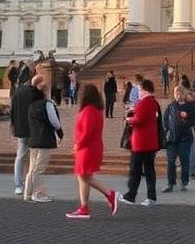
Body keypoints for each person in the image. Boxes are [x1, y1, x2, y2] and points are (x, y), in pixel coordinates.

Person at [67, 84, 118, 220]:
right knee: (83, 176)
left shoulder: (89, 110)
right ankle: (84, 207)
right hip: (91, 147)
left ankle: (109, 194)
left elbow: (87, 132)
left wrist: (78, 145)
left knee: (85, 176)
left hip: (87, 148)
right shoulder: (96, 110)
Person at [121, 78, 161, 206]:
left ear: (144, 89)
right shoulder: (153, 102)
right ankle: (151, 196)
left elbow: (139, 119)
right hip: (150, 142)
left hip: (141, 142)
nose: (138, 92)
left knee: (135, 170)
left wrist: (129, 119)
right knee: (149, 170)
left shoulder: (145, 102)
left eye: (139, 89)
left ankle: (131, 195)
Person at [25, 74, 63, 203]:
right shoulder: (46, 104)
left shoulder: (31, 105)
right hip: (44, 138)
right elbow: (55, 122)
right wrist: (60, 132)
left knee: (32, 168)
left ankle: (28, 193)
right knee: (39, 169)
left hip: (33, 139)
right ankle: (38, 193)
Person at [162, 85, 195, 193]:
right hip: (172, 139)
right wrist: (167, 132)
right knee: (170, 162)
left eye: (179, 93)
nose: (177, 95)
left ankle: (184, 182)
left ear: (184, 94)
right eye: (175, 93)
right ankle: (170, 183)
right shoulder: (171, 106)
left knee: (184, 161)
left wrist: (187, 117)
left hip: (185, 139)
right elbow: (165, 121)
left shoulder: (190, 107)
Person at [10, 74, 41, 195]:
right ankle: (31, 184)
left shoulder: (17, 93)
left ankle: (18, 185)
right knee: (34, 157)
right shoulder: (35, 92)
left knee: (20, 156)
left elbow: (12, 111)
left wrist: (13, 126)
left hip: (20, 128)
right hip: (33, 129)